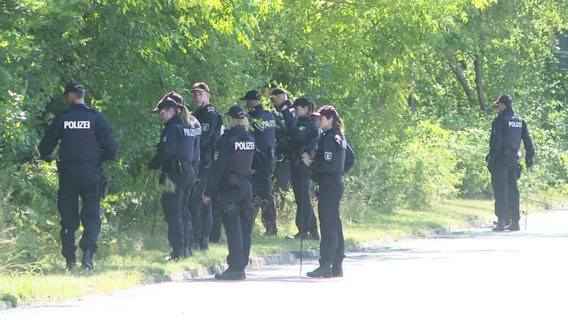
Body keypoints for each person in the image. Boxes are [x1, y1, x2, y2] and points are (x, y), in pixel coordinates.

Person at [39, 81, 117, 270]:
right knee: (91, 215)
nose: (66, 98)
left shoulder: (63, 118)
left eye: (67, 95)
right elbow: (112, 150)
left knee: (68, 216)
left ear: (72, 95)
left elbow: (45, 147)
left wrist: (47, 157)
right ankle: (88, 255)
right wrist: (98, 158)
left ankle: (69, 259)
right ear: (82, 95)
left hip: (68, 173)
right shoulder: (96, 118)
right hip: (91, 172)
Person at [202, 105, 256, 280]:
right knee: (245, 228)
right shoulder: (251, 138)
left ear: (232, 119)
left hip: (230, 189)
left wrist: (208, 192)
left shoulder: (226, 140)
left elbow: (218, 168)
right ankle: (242, 266)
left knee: (233, 229)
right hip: (247, 186)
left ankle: (235, 267)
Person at [302, 105, 350, 278]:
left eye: (321, 118)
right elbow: (349, 159)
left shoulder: (330, 137)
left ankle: (326, 264)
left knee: (328, 225)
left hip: (329, 185)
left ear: (330, 119)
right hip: (333, 183)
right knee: (335, 224)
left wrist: (310, 163)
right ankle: (337, 264)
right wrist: (339, 171)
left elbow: (328, 164)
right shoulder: (339, 136)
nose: (318, 121)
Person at [148, 97, 196, 260]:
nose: (160, 116)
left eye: (161, 113)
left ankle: (177, 252)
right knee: (182, 212)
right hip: (188, 173)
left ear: (170, 110)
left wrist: (153, 163)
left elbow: (167, 151)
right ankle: (186, 250)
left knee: (173, 213)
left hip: (174, 175)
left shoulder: (172, 128)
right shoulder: (187, 126)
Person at [487, 94, 535, 232]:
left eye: (498, 105)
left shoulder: (500, 121)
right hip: (514, 159)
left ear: (503, 104)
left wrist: (492, 158)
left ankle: (501, 220)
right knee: (513, 189)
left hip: (501, 158)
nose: (497, 108)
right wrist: (529, 157)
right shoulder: (520, 121)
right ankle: (515, 221)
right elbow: (527, 141)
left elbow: (496, 142)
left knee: (501, 188)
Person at [188, 82, 223, 250]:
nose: (197, 97)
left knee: (200, 199)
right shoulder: (197, 114)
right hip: (199, 161)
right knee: (199, 200)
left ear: (208, 95)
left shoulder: (210, 114)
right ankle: (200, 238)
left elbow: (204, 138)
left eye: (200, 94)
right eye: (195, 94)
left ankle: (200, 239)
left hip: (207, 162)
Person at [281, 97, 320, 240]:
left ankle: (304, 230)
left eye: (297, 109)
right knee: (302, 198)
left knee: (302, 198)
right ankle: (313, 231)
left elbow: (296, 135)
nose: (295, 112)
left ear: (305, 108)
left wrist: (287, 116)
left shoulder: (308, 124)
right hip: (297, 163)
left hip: (303, 165)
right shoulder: (302, 122)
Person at [241, 89, 278, 236]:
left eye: (247, 101)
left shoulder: (252, 117)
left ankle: (270, 228)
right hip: (270, 160)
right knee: (262, 193)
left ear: (250, 101)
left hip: (258, 161)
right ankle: (252, 226)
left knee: (262, 194)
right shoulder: (270, 115)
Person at [270, 88, 293, 199]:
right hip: (288, 156)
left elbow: (287, 131)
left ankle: (282, 212)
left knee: (282, 188)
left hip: (286, 155)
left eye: (273, 100)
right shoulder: (293, 109)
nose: (273, 103)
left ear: (279, 97)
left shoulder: (286, 110)